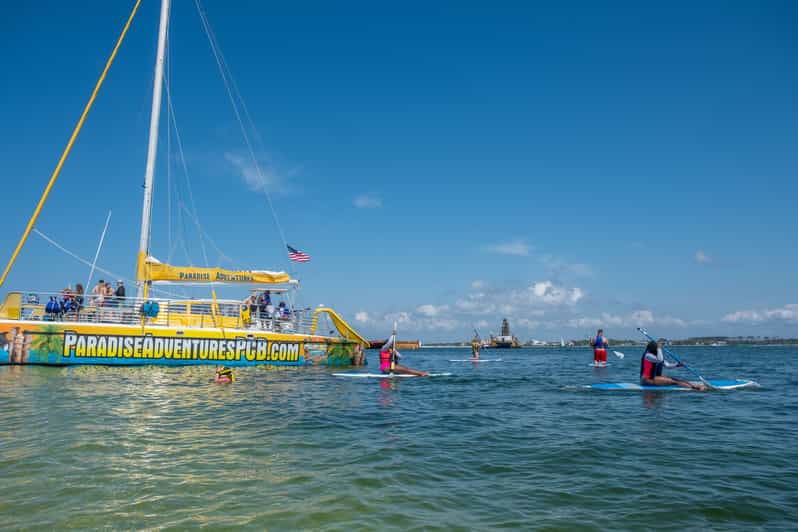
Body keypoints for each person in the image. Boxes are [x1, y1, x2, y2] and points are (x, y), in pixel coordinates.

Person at [640, 340, 705, 390]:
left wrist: (677, 365)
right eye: (657, 348)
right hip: (647, 380)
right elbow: (660, 360)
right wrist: (659, 348)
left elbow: (667, 365)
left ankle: (693, 385)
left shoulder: (655, 356)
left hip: (654, 378)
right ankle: (695, 388)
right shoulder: (647, 355)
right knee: (675, 382)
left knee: (676, 379)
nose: (659, 349)